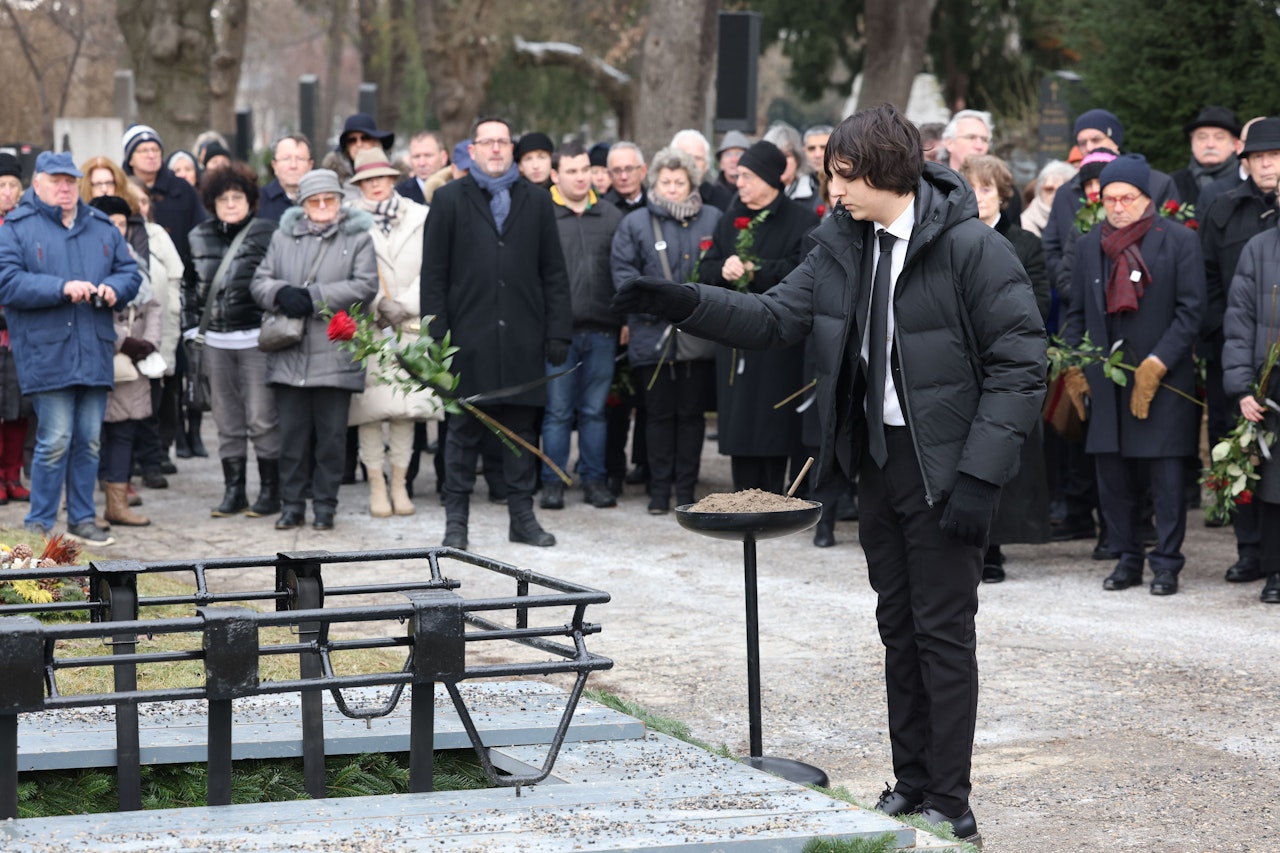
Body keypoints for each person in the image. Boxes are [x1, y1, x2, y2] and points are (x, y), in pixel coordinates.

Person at [612, 104, 1045, 847]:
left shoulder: (972, 247)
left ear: (881, 172)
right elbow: (775, 318)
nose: (832, 191)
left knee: (942, 633)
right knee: (897, 629)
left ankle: (953, 802)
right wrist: (685, 302)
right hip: (876, 463)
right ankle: (912, 784)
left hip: (947, 469)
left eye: (841, 177)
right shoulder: (844, 244)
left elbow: (1021, 364)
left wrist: (979, 477)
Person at [422, 116, 572, 549]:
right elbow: (433, 275)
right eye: (486, 142)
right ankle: (457, 523)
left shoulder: (538, 201)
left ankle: (522, 518)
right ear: (471, 150)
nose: (495, 149)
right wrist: (437, 338)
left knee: (521, 434)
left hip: (524, 337)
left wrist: (558, 330)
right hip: (466, 342)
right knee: (462, 436)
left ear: (512, 148)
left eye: (502, 142)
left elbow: (554, 273)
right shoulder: (449, 199)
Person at [1061, 154, 1205, 596]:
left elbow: (1191, 310)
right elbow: (1077, 311)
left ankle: (1166, 562)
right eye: (1109, 198)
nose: (1118, 206)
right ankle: (1127, 558)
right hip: (1107, 380)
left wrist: (1159, 362)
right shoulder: (1089, 245)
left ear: (1148, 199)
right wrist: (1074, 362)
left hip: (1162, 378)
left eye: (1127, 198)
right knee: (1114, 478)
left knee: (1164, 478)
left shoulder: (1178, 240)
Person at [0, 151, 142, 545]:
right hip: (47, 352)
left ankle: (81, 519)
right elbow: (6, 282)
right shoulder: (17, 227)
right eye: (56, 180)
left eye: (69, 180)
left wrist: (117, 288)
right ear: (39, 183)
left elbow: (130, 271)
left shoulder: (100, 225)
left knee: (89, 439)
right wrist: (61, 288)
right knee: (56, 439)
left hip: (93, 349)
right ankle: (39, 522)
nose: (64, 188)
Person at [250, 169, 378, 531]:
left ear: (340, 201)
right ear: (302, 205)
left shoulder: (358, 238)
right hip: (289, 355)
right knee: (291, 437)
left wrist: (313, 297)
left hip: (335, 352)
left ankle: (325, 506)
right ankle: (292, 505)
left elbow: (365, 285)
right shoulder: (282, 236)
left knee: (332, 439)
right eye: (314, 201)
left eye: (329, 200)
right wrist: (280, 294)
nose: (322, 207)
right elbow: (259, 281)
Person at [698, 140, 816, 495]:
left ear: (769, 178)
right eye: (738, 177)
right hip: (736, 341)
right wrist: (724, 267)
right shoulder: (731, 218)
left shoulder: (802, 220)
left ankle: (779, 500)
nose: (739, 184)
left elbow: (804, 273)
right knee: (740, 424)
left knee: (775, 425)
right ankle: (743, 498)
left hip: (781, 345)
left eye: (747, 176)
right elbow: (704, 270)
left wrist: (755, 268)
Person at [611, 147, 721, 513]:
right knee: (656, 415)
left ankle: (686, 489)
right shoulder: (636, 223)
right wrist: (662, 306)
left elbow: (719, 273)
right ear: (654, 181)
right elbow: (624, 276)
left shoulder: (713, 219)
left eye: (680, 181)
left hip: (697, 336)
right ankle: (659, 491)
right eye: (666, 181)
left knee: (691, 416)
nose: (672, 188)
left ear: (692, 182)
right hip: (651, 334)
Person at [960, 155, 1052, 582]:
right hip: (959, 365)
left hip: (1001, 360)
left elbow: (1038, 304)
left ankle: (994, 547)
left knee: (999, 454)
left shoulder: (1025, 243)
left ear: (1002, 195)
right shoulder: (949, 239)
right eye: (971, 188)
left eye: (986, 189)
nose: (978, 197)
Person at [1200, 117, 1280, 583]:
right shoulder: (1223, 209)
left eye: (1274, 156)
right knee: (1237, 455)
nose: (1267, 164)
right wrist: (1222, 336)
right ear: (1245, 162)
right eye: (1258, 157)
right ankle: (1248, 549)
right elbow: (1206, 277)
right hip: (1231, 355)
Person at [345, 147, 439, 518]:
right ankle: (376, 486)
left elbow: (433, 266)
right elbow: (346, 271)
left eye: (380, 177)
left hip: (411, 325)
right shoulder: (349, 219)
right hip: (369, 330)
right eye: (367, 180)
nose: (375, 185)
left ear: (392, 178)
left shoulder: (421, 216)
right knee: (369, 412)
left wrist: (405, 303)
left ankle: (400, 484)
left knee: (405, 410)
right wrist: (375, 305)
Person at [184, 162, 281, 519]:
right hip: (216, 342)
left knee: (261, 417)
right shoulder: (197, 236)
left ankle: (271, 491)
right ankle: (234, 491)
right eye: (222, 198)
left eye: (236, 197)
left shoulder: (269, 232)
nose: (229, 204)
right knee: (226, 420)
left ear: (250, 200)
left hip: (256, 339)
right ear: (212, 201)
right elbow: (188, 287)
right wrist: (190, 327)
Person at [538, 142, 624, 511]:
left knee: (594, 411)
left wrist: (625, 320)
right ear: (555, 175)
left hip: (603, 329)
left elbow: (622, 272)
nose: (580, 177)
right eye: (571, 170)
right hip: (559, 332)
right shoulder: (543, 214)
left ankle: (593, 479)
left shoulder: (610, 215)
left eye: (585, 169)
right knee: (557, 411)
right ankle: (553, 481)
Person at [1221, 174, 1280, 604]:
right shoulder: (1259, 249)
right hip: (1271, 383)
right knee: (1275, 487)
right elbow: (1239, 323)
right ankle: (1276, 571)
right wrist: (1243, 386)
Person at [89, 195, 160, 528]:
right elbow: (89, 310)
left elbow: (154, 306)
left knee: (125, 430)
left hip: (133, 363)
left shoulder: (135, 261)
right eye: (109, 223)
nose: (116, 230)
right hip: (98, 355)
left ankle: (117, 505)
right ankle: (83, 508)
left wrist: (148, 342)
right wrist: (123, 340)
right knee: (89, 433)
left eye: (121, 223)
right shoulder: (85, 259)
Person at [0, 153, 31, 505]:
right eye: (2, 186)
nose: (8, 193)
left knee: (20, 409)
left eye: (12, 186)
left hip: (21, 332)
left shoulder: (25, 225)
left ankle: (13, 474)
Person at [1171, 106, 1241, 209]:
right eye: (1202, 137)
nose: (1210, 144)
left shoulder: (1247, 181)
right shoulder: (1174, 183)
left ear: (1236, 144)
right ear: (1192, 143)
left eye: (1219, 137)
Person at [763, 120, 822, 216]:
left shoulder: (816, 194)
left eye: (786, 156)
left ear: (798, 158)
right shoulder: (754, 194)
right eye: (775, 156)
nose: (780, 161)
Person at [671, 129, 732, 211]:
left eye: (698, 158)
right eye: (686, 156)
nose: (692, 163)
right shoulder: (657, 197)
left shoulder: (723, 199)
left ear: (706, 165)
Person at [258, 134, 314, 222]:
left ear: (310, 165)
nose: (293, 165)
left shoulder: (322, 200)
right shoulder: (258, 200)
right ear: (274, 165)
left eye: (300, 159)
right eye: (286, 158)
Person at [1021, 160, 1076, 239]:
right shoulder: (1025, 223)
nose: (1055, 195)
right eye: (1049, 190)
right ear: (1039, 192)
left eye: (1062, 191)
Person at [396, 130, 449, 205]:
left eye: (428, 155)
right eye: (416, 157)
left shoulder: (457, 189)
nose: (422, 163)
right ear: (410, 159)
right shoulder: (399, 194)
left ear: (443, 157)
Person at [603, 142, 647, 215]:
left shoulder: (657, 204)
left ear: (643, 171)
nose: (624, 177)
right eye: (617, 170)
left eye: (629, 169)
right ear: (609, 175)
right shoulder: (602, 211)